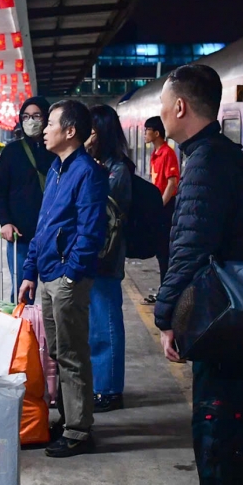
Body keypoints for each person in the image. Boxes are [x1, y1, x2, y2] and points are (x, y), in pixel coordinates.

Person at [153, 64, 243, 485]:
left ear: (180, 107)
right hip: (234, 321)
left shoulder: (203, 165)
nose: (160, 114)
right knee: (228, 434)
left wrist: (165, 316)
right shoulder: (216, 155)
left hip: (224, 324)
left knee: (223, 437)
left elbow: (190, 249)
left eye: (163, 104)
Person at [18, 100, 108, 458]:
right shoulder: (58, 167)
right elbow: (44, 225)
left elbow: (91, 231)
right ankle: (70, 418)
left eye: (50, 123)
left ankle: (78, 431)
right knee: (57, 351)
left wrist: (71, 274)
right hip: (49, 274)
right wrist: (30, 271)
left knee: (72, 353)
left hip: (66, 277)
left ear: (70, 131)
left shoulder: (87, 173)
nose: (43, 130)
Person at [85, 104, 132, 414]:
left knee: (106, 325)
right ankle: (100, 384)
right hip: (92, 258)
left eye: (89, 130)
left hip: (106, 259)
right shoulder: (101, 165)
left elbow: (98, 206)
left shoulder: (117, 170)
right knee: (95, 326)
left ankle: (110, 389)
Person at [0, 97, 55, 302]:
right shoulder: (12, 152)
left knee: (57, 295)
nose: (31, 121)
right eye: (26, 117)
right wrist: (5, 222)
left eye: (36, 116)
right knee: (22, 292)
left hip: (55, 236)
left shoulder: (57, 150)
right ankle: (22, 324)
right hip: (21, 237)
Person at [142, 115, 181, 305]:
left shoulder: (167, 153)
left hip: (166, 207)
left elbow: (172, 183)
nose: (144, 134)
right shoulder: (155, 154)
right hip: (159, 206)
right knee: (160, 250)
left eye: (147, 130)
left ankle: (167, 292)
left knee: (164, 251)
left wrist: (159, 205)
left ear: (157, 133)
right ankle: (163, 289)